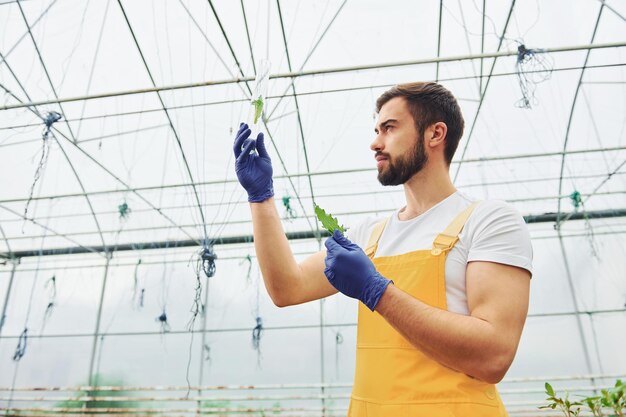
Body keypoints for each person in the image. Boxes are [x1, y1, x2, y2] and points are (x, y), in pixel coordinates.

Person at [233, 81, 533, 417]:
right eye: (377, 130)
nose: (375, 142)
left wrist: (378, 292)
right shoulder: (370, 235)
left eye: (389, 128)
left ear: (435, 134)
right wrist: (261, 198)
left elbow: (494, 356)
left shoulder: (488, 221)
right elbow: (288, 288)